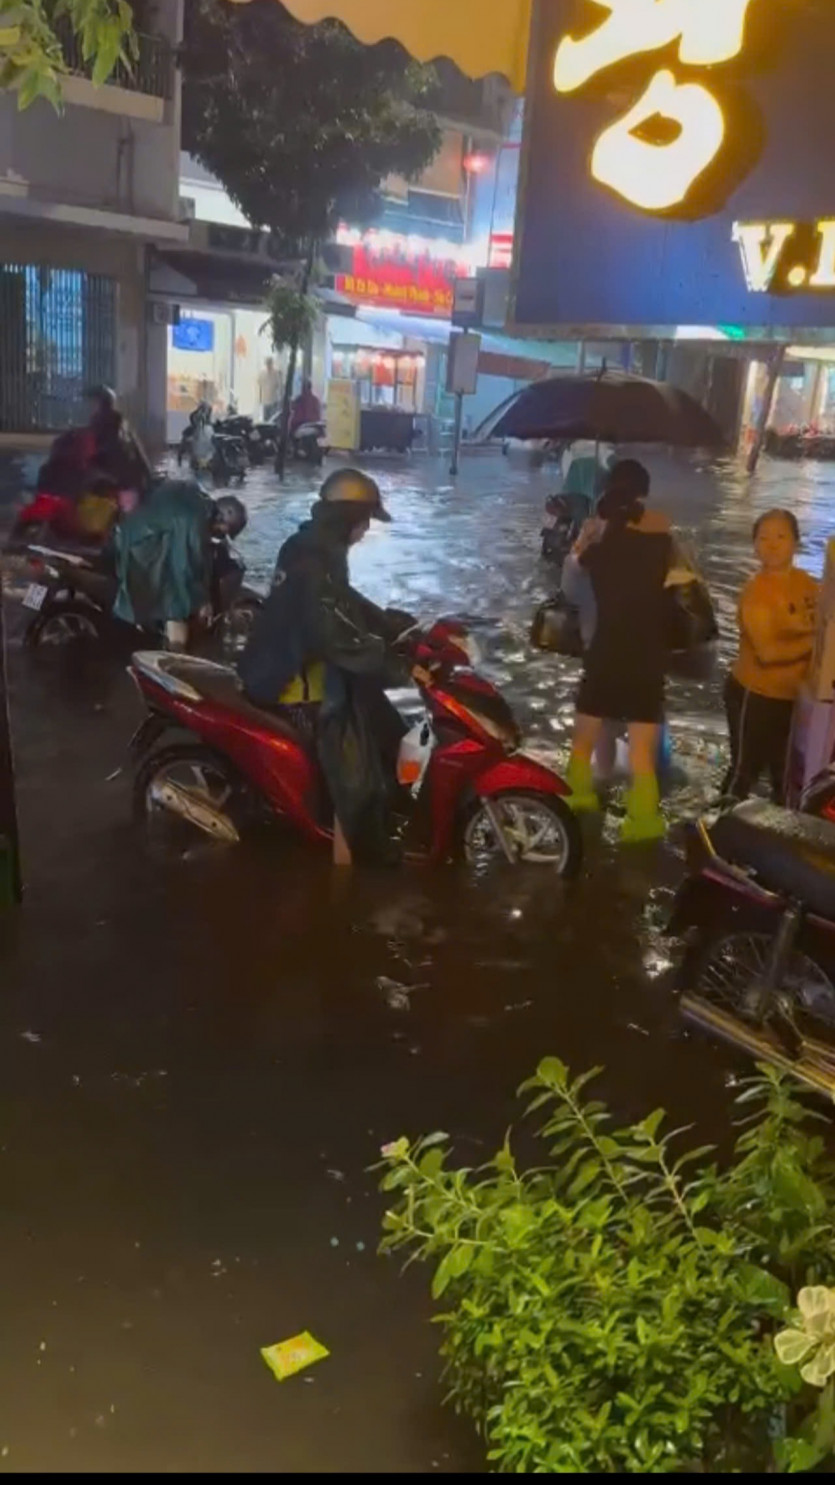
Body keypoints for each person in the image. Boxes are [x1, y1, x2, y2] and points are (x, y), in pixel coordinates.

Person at [238, 468, 407, 866]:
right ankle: (345, 871)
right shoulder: (316, 560)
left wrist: (390, 625)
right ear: (347, 519)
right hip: (294, 684)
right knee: (356, 778)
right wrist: (392, 663)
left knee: (375, 720)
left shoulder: (313, 547)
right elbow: (331, 633)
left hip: (282, 663)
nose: (366, 530)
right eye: (364, 521)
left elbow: (342, 602)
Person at [565, 459, 672, 842]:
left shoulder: (598, 549)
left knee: (584, 740)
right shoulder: (663, 542)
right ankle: (641, 821)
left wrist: (585, 539)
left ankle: (578, 796)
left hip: (604, 653)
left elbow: (572, 581)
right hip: (647, 658)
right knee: (642, 752)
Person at [722, 509, 820, 803]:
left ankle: (781, 825)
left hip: (794, 699)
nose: (772, 544)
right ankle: (717, 822)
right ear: (754, 546)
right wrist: (816, 641)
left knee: (785, 774)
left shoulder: (807, 583)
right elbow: (768, 653)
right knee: (744, 772)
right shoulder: (756, 592)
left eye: (781, 536)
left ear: (796, 542)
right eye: (763, 538)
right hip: (754, 696)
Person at [112, 479, 247, 650]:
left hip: (133, 538)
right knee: (178, 603)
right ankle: (175, 652)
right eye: (221, 532)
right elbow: (184, 565)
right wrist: (202, 601)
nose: (218, 536)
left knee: (179, 590)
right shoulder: (194, 520)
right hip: (140, 551)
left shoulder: (197, 501)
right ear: (222, 518)